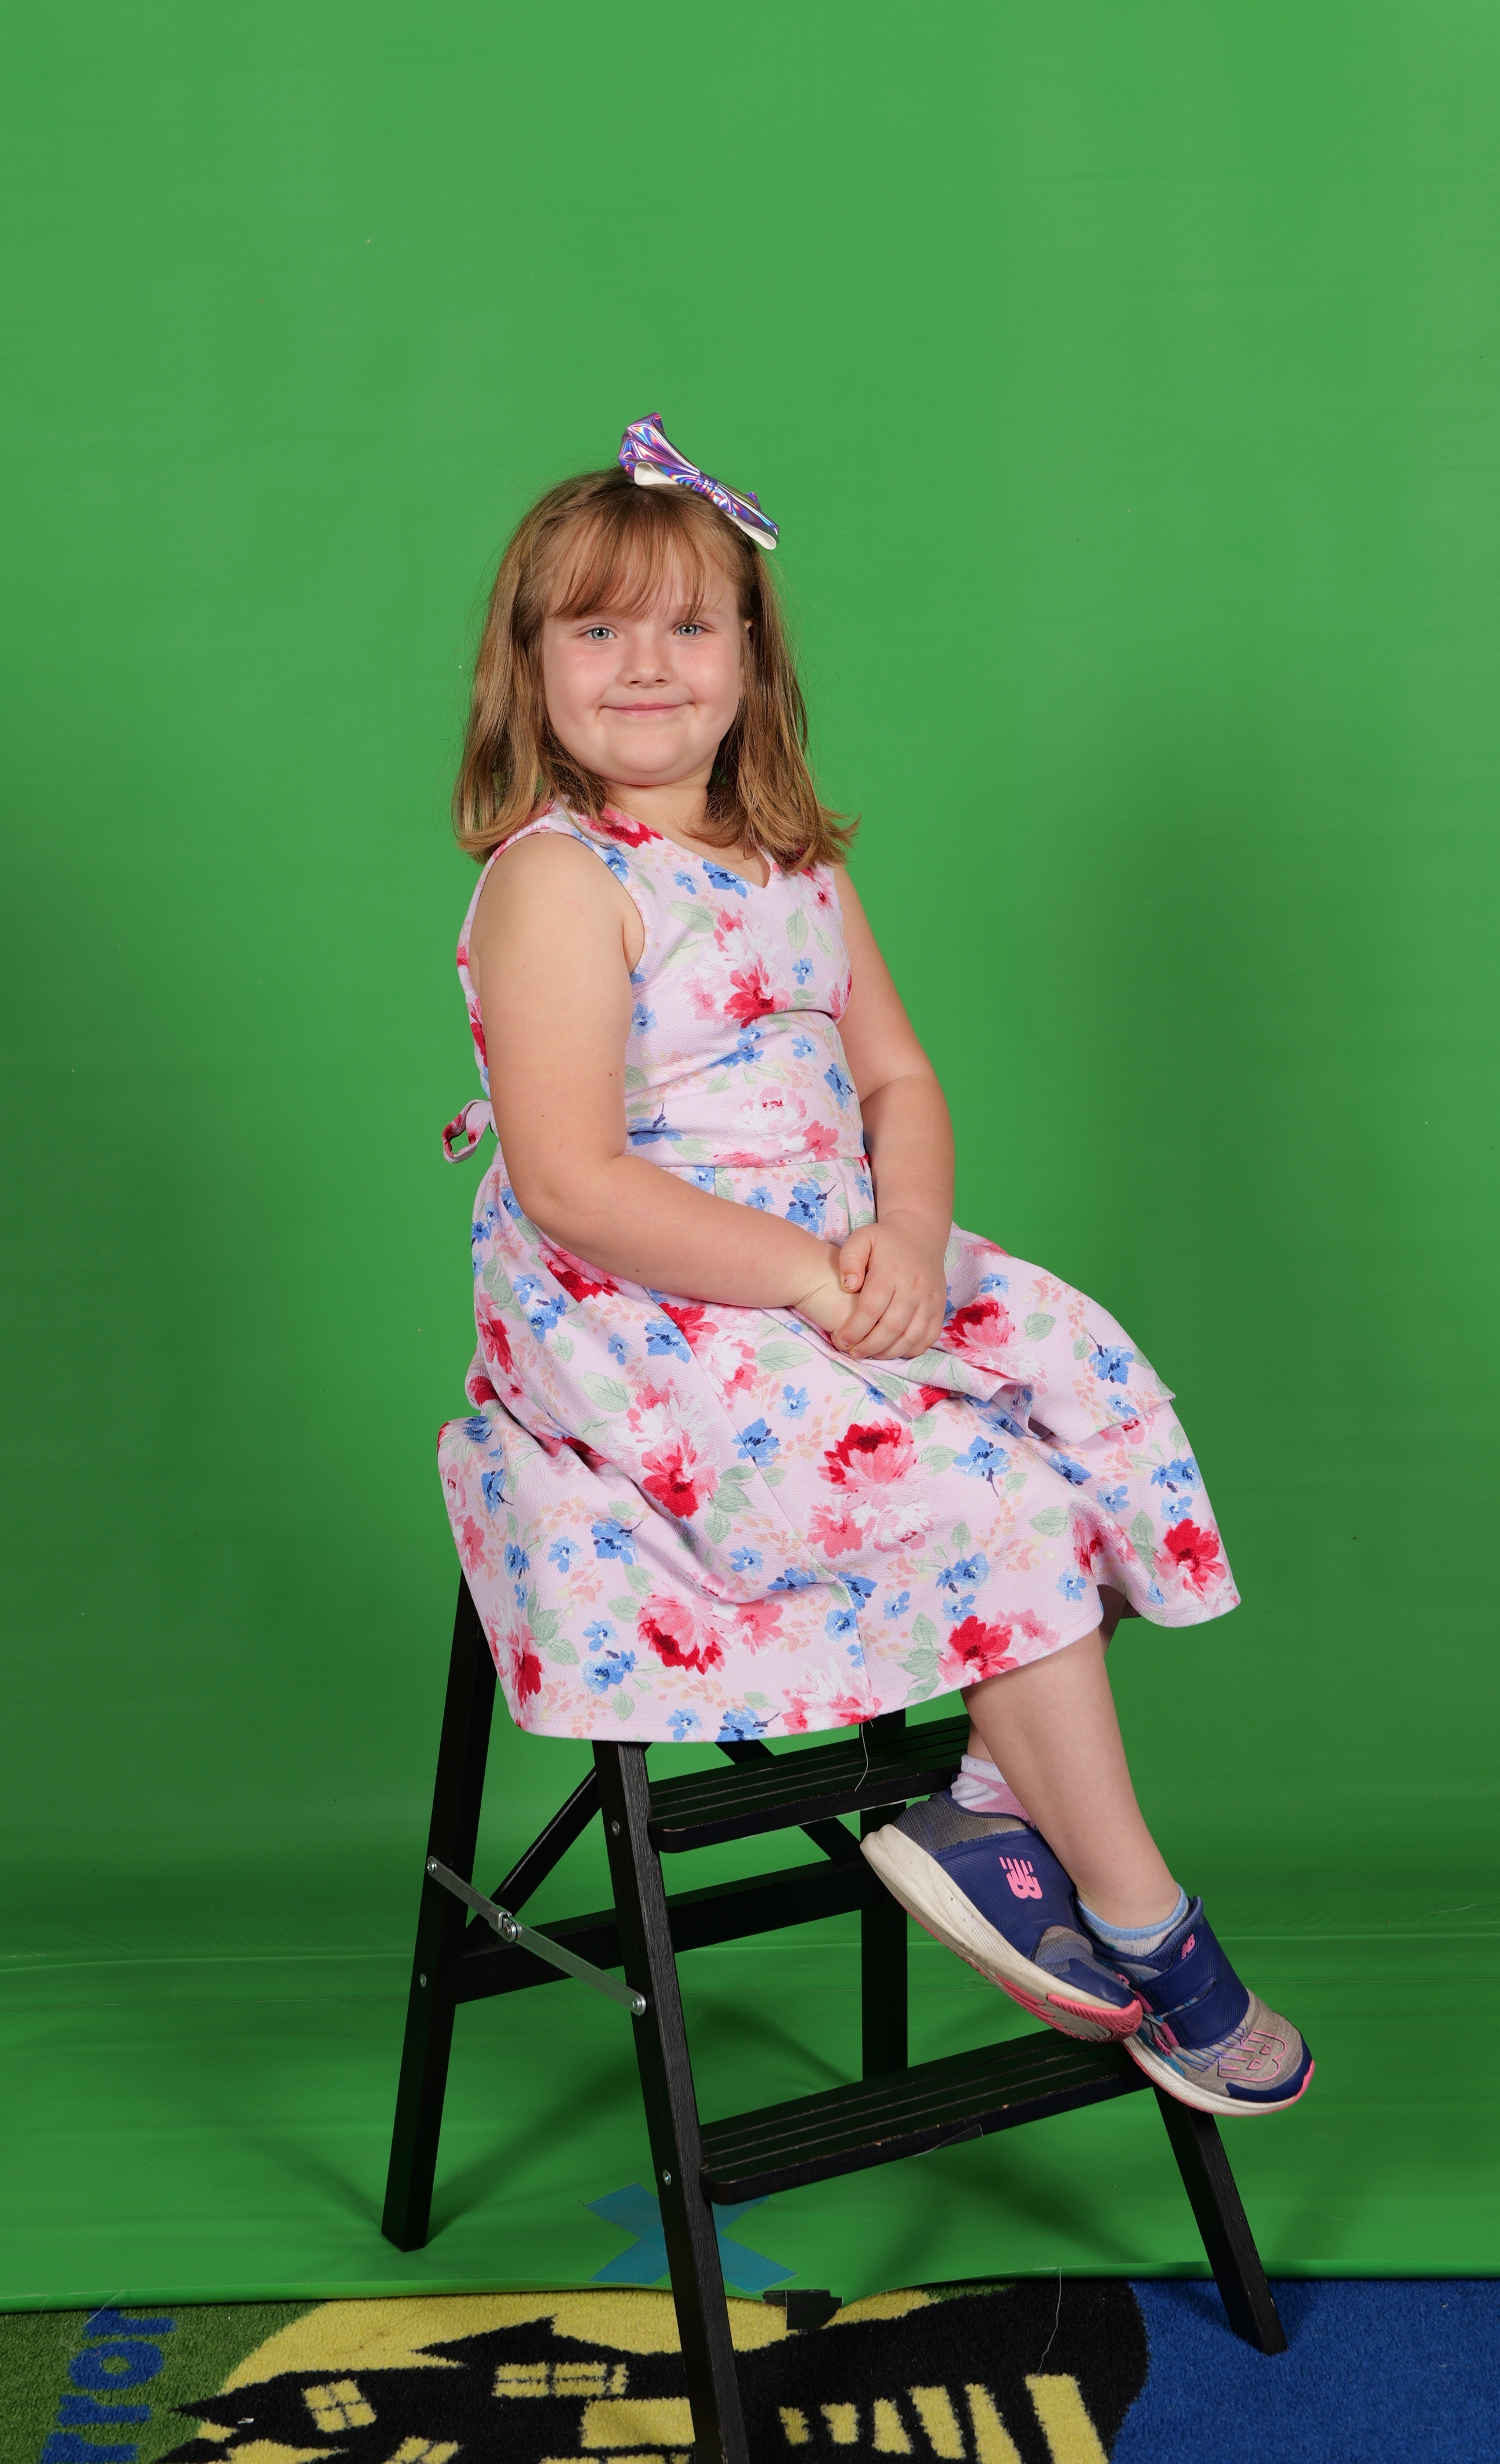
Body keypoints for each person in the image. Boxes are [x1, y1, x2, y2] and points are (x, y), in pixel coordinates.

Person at [436, 415, 1311, 2120]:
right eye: (596, 629)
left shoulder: (796, 865)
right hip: (650, 1300)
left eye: (690, 625)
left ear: (751, 662)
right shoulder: (560, 882)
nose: (646, 665)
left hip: (840, 1251)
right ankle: (1144, 1919)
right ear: (527, 667)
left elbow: (899, 1080)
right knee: (1000, 1510)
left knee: (1086, 1397)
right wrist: (811, 1279)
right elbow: (574, 1181)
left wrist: (905, 1237)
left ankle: (990, 1801)